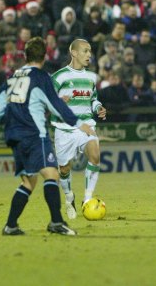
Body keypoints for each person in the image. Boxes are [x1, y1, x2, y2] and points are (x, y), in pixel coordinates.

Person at [0, 37, 93, 236]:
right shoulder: (41, 77)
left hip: (14, 136)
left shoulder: (13, 77)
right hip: (34, 135)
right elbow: (55, 104)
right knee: (52, 175)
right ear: (45, 57)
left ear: (25, 56)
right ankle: (56, 222)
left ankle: (10, 225)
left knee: (28, 182)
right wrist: (79, 124)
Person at [51, 39, 107, 220]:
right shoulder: (59, 77)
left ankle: (87, 199)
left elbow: (93, 99)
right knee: (64, 169)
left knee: (95, 155)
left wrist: (98, 108)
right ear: (73, 53)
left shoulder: (91, 77)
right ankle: (69, 197)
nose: (89, 55)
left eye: (90, 51)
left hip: (86, 126)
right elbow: (47, 101)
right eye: (85, 51)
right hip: (64, 128)